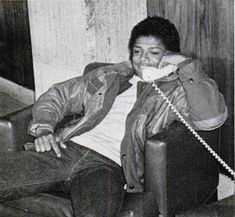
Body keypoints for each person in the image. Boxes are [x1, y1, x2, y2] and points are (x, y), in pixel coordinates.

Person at [0, 16, 227, 217]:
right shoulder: (110, 76)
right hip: (64, 150)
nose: (143, 59)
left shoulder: (176, 91)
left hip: (106, 167)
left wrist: (186, 66)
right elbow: (58, 94)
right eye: (137, 51)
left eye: (154, 53)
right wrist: (44, 129)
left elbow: (210, 119)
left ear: (170, 56)